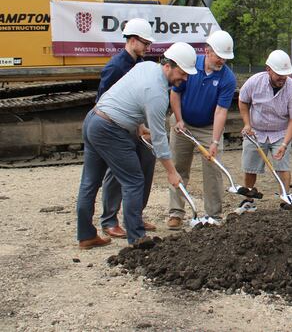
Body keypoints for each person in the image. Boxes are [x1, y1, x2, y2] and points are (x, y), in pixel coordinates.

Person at [76, 42, 196, 249]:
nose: (184, 79)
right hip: (110, 130)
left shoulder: (146, 66)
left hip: (94, 119)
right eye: (183, 73)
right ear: (168, 65)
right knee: (133, 181)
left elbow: (126, 95)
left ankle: (86, 236)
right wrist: (171, 172)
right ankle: (137, 239)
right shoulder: (158, 93)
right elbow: (159, 138)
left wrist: (138, 124)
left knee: (90, 182)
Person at [166, 31, 237, 229]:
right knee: (178, 167)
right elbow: (175, 94)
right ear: (207, 51)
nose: (222, 60)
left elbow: (221, 111)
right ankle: (176, 212)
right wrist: (179, 120)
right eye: (218, 56)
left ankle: (214, 214)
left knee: (213, 169)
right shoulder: (190, 65)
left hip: (208, 127)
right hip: (183, 123)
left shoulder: (227, 78)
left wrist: (214, 141)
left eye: (225, 57)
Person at [96, 18, 157, 239]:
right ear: (132, 40)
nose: (147, 48)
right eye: (145, 43)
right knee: (116, 171)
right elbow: (103, 101)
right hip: (117, 127)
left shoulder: (140, 64)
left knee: (148, 161)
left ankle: (135, 215)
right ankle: (109, 220)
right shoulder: (115, 67)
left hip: (137, 125)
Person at [239, 50, 292, 202]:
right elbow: (242, 100)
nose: (282, 78)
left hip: (280, 132)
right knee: (250, 167)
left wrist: (285, 144)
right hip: (255, 131)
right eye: (279, 74)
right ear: (268, 69)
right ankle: (248, 199)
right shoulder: (255, 82)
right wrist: (247, 124)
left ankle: (285, 198)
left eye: (285, 74)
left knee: (283, 167)